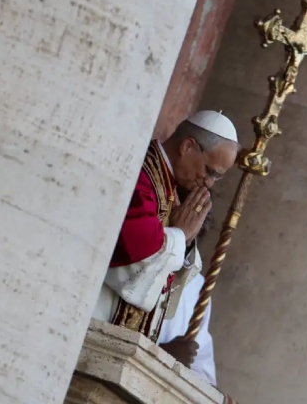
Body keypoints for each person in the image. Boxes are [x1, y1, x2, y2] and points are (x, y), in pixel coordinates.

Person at [91, 110, 238, 344]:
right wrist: (180, 235)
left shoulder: (171, 186)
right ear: (188, 146)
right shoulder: (142, 172)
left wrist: (186, 241)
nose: (209, 183)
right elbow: (131, 244)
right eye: (210, 172)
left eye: (217, 178)